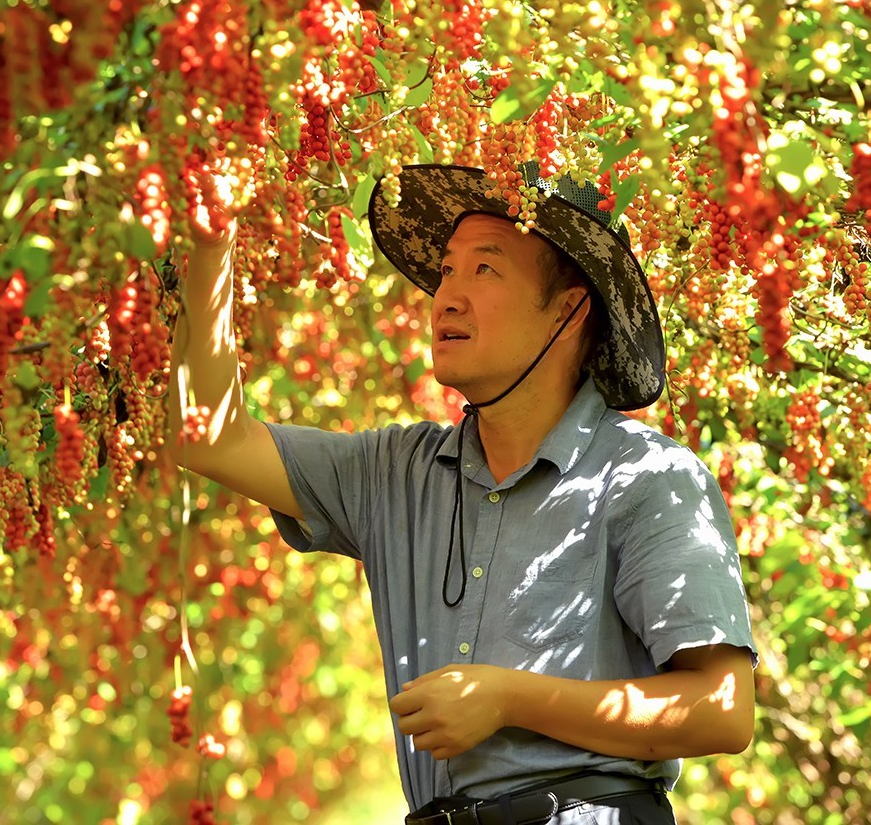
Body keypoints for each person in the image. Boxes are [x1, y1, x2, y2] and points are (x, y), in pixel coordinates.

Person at [170, 162, 758, 825]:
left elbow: (723, 709)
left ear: (567, 312)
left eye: (485, 269)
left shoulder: (649, 479)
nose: (445, 297)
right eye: (446, 270)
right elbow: (209, 438)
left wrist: (509, 699)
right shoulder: (394, 472)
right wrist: (212, 245)